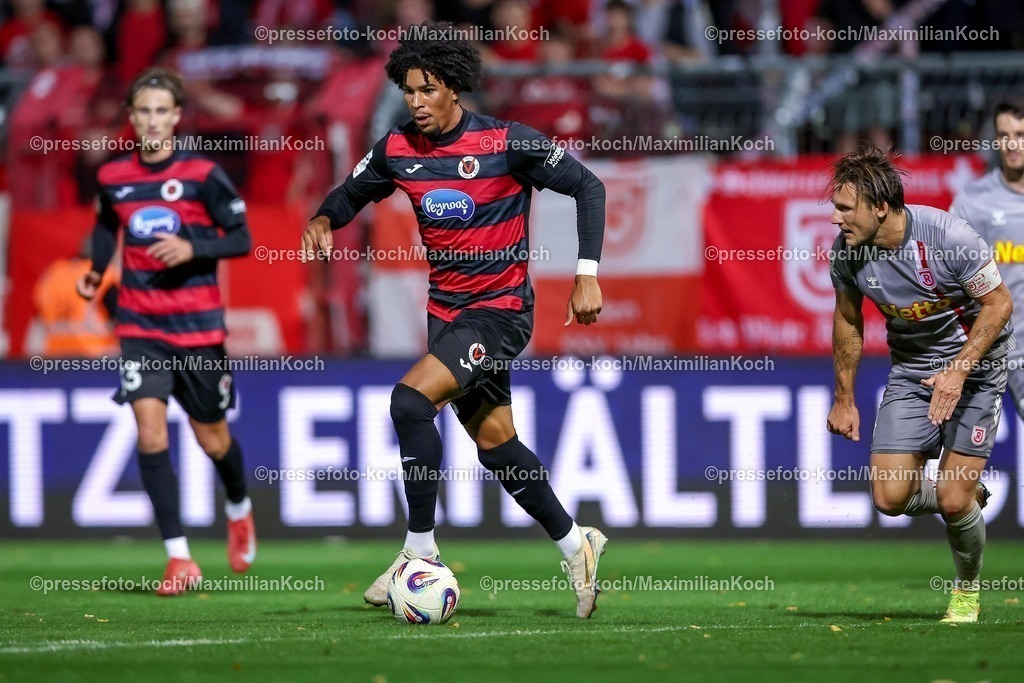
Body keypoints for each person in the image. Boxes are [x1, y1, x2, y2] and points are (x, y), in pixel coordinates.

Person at [301, 22, 609, 619]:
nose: (415, 102)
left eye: (427, 90)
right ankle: (577, 544)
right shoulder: (398, 150)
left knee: (410, 403)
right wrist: (322, 219)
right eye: (408, 91)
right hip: (445, 313)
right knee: (496, 444)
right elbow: (351, 193)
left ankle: (419, 553)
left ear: (455, 90)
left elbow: (587, 186)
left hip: (499, 315)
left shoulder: (507, 142)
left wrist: (587, 272)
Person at [77, 67, 256, 596]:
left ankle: (239, 507)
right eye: (143, 111)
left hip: (199, 329)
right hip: (140, 325)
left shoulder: (203, 174)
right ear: (131, 118)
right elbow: (106, 226)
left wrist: (193, 249)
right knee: (151, 434)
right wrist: (96, 269)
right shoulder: (113, 177)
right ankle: (179, 558)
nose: (152, 121)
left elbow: (241, 237)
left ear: (176, 117)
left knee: (212, 438)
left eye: (162, 111)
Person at [826, 147, 1012, 624]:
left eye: (846, 208)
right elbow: (848, 320)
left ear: (880, 207)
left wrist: (961, 368)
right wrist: (844, 397)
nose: (835, 217)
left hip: (977, 367)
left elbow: (998, 305)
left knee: (951, 499)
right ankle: (965, 493)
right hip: (911, 369)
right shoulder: (847, 252)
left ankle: (967, 590)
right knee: (889, 498)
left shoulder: (947, 236)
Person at [951, 100, 1024, 419]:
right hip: (999, 347)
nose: (1012, 144)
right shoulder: (973, 202)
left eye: (1020, 134)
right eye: (1004, 134)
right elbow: (948, 272)